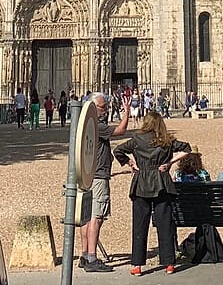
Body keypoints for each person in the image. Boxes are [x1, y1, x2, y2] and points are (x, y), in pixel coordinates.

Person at [114, 110, 185, 275]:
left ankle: (137, 265)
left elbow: (118, 150)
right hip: (161, 182)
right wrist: (169, 162)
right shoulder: (166, 140)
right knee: (164, 223)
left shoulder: (137, 139)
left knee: (140, 225)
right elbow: (187, 148)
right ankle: (169, 263)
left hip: (142, 182)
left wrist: (130, 162)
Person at [79, 91, 132, 273]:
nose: (106, 110)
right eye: (103, 107)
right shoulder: (96, 125)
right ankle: (92, 258)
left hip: (86, 175)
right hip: (98, 176)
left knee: (86, 217)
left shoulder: (84, 124)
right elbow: (120, 131)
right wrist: (126, 112)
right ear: (94, 107)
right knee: (97, 216)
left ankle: (85, 255)